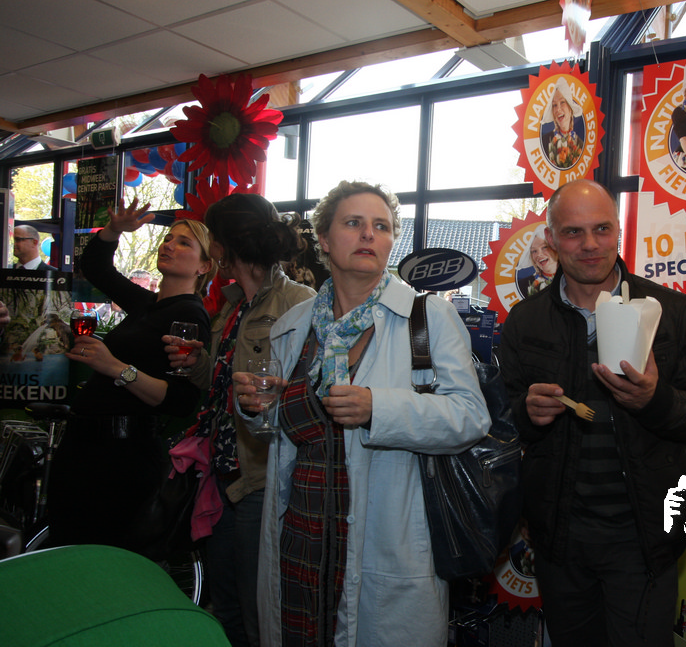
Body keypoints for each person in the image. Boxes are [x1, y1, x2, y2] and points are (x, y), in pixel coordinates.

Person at [232, 180, 490, 646]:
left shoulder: (427, 318)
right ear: (324, 239)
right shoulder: (293, 326)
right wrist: (256, 408)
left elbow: (470, 416)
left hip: (386, 541)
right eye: (353, 223)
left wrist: (378, 408)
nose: (369, 234)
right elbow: (281, 432)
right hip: (302, 538)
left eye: (381, 226)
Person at [497, 179, 686, 646]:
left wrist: (655, 401)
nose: (590, 244)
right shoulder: (525, 321)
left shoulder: (672, 312)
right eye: (573, 232)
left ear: (618, 231)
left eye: (602, 229)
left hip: (646, 538)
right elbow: (502, 424)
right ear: (551, 239)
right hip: (559, 540)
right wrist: (525, 413)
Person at [170, 193, 316, 647]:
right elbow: (219, 389)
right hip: (224, 475)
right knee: (226, 603)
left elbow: (309, 392)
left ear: (226, 244)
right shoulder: (233, 306)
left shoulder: (297, 302)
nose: (211, 248)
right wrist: (197, 362)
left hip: (263, 478)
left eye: (213, 238)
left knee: (260, 611)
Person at [47, 199, 214, 549]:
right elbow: (95, 267)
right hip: (85, 447)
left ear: (204, 266)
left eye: (184, 242)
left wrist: (116, 368)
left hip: (121, 456)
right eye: (168, 238)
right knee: (67, 550)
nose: (169, 245)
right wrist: (114, 230)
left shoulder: (188, 316)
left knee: (102, 557)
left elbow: (182, 400)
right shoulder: (147, 304)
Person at [541, 77, 585, 169]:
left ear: (570, 108)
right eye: (554, 105)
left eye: (562, 102)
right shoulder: (544, 141)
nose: (558, 109)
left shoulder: (581, 144)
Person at [515, 225, 558, 298]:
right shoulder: (523, 285)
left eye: (544, 247)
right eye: (534, 251)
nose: (539, 254)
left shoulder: (575, 279)